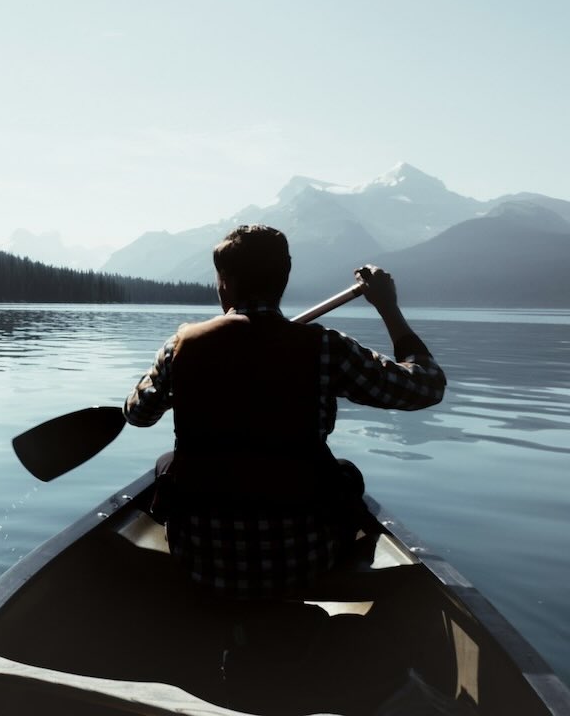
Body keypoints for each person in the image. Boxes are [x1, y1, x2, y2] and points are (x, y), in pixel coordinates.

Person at [124, 224, 446, 599]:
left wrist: (191, 383)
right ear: (284, 279)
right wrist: (388, 308)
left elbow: (137, 414)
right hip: (303, 560)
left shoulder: (182, 347)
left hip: (199, 556)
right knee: (347, 476)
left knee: (168, 464)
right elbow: (427, 386)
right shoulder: (325, 348)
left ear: (224, 281)